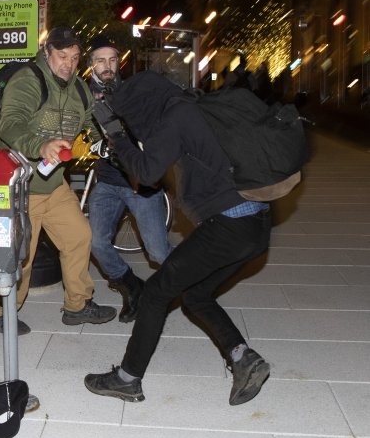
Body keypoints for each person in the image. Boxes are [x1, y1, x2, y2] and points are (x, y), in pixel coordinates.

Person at [84, 71, 272, 406]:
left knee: (156, 292)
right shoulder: (196, 106)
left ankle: (127, 379)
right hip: (256, 225)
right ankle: (244, 358)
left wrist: (117, 137)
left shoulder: (176, 116)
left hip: (228, 226)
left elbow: (144, 174)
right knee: (196, 293)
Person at [0, 26, 116, 335]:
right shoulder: (29, 80)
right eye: (62, 56)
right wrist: (39, 146)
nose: (68, 64)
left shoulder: (79, 90)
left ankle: (77, 306)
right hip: (16, 184)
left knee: (80, 236)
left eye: (75, 57)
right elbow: (10, 124)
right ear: (48, 53)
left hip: (52, 182)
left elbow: (92, 125)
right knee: (19, 255)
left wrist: (110, 142)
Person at [86, 36, 173, 323]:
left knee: (158, 251)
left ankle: (194, 284)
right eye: (100, 60)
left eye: (112, 60)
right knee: (96, 243)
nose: (107, 65)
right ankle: (132, 287)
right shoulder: (84, 96)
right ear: (91, 65)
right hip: (108, 181)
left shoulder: (134, 91)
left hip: (140, 184)